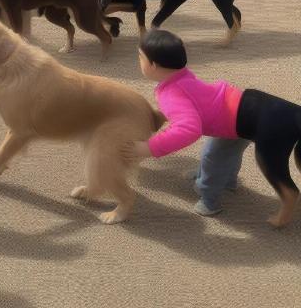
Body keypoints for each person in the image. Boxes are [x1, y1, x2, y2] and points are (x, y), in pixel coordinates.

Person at [124, 29, 301, 227]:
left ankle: (210, 201)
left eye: (140, 57)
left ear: (153, 65)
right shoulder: (181, 77)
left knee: (213, 156)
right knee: (227, 152)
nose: (138, 61)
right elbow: (189, 105)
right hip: (247, 108)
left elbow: (188, 130)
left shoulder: (172, 93)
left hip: (251, 121)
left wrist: (149, 147)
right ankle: (228, 181)